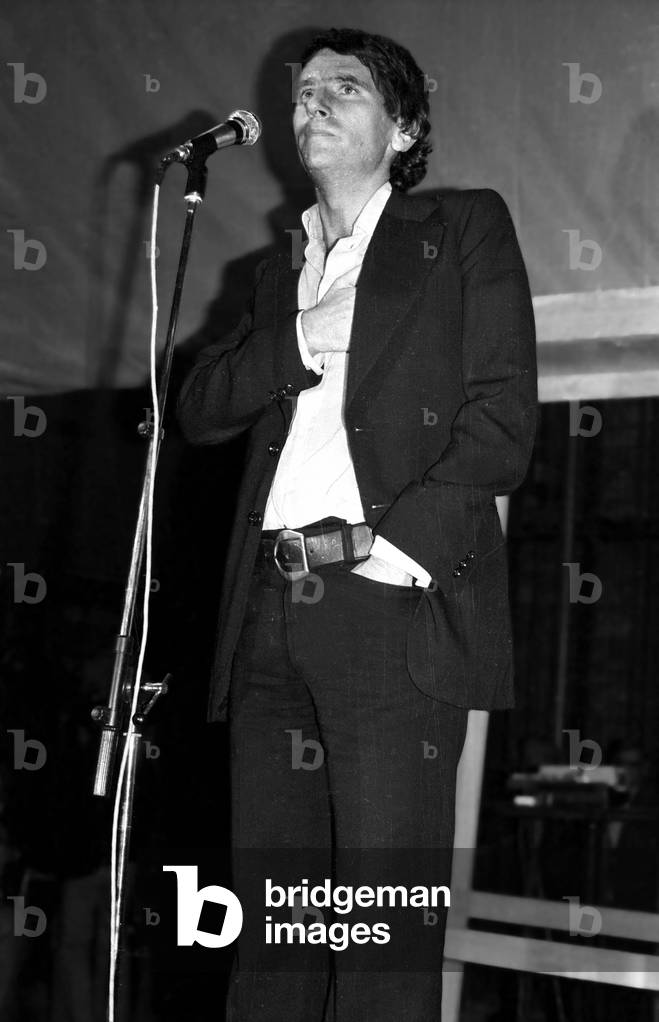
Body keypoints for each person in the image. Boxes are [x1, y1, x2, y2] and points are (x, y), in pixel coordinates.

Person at [177, 26, 537, 1022]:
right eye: (303, 92)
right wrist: (298, 334)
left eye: (346, 89)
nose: (312, 104)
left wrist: (393, 551)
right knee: (277, 942)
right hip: (267, 615)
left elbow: (501, 423)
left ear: (403, 126)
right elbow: (199, 405)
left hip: (385, 611)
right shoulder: (270, 273)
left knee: (376, 947)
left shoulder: (459, 230)